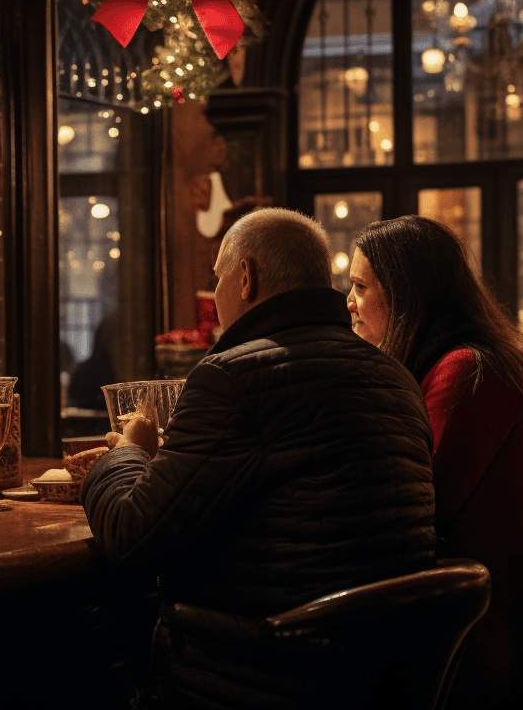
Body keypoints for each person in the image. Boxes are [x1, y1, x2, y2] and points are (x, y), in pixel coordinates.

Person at [82, 208, 437, 708]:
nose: (215, 297)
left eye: (218, 280)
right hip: (380, 679)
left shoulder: (233, 378)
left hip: (257, 675)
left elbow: (131, 534)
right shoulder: (396, 378)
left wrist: (126, 454)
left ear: (245, 278)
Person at [347, 215, 523, 708]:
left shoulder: (468, 369)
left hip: (483, 638)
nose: (347, 302)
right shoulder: (459, 364)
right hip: (473, 618)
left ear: (405, 295)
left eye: (358, 286)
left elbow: (420, 506)